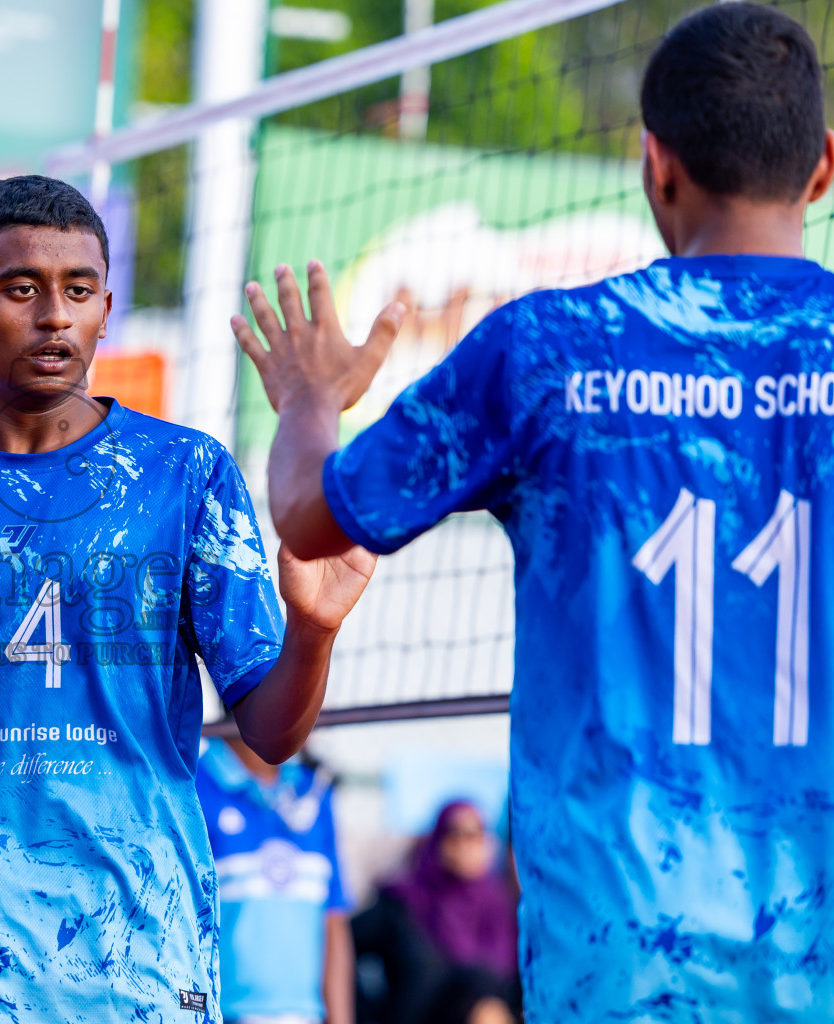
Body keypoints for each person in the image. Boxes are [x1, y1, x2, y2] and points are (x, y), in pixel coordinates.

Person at [234, 4, 834, 1018]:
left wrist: (308, 401)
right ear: (822, 166)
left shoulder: (551, 348)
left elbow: (309, 517)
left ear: (658, 164)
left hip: (621, 951)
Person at [0, 174, 377, 1023]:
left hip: (141, 970)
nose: (55, 315)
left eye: (79, 290)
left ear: (106, 305)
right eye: (21, 289)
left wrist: (313, 631)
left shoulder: (186, 474)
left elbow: (273, 734)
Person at [196, 735, 352, 1024]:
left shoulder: (315, 790)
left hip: (306, 1016)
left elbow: (333, 918)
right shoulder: (193, 785)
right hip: (223, 1015)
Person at [352, 802, 517, 1024]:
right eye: (455, 834)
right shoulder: (403, 905)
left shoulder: (501, 907)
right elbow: (340, 947)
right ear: (438, 839)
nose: (465, 845)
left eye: (474, 835)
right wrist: (362, 1011)